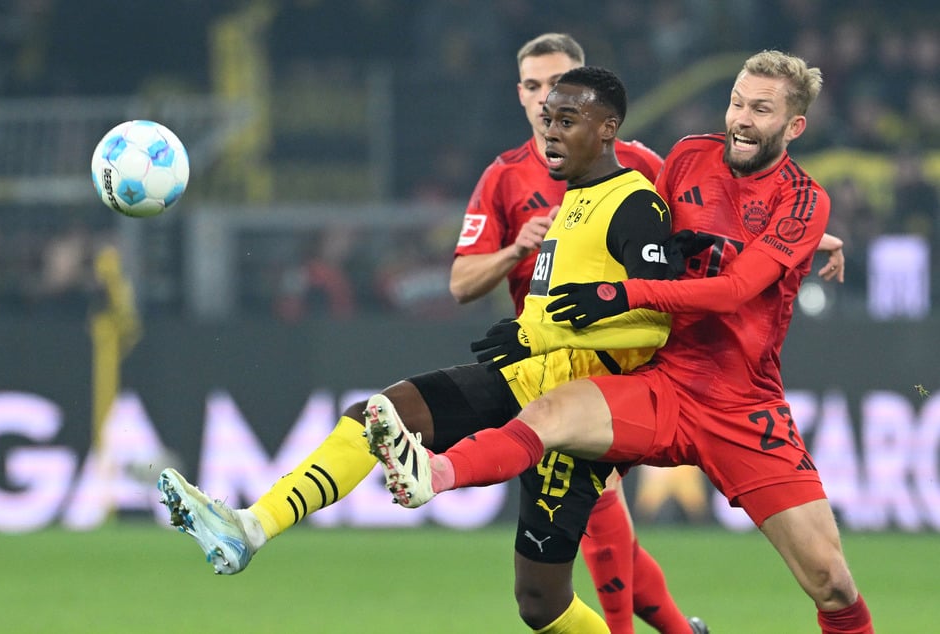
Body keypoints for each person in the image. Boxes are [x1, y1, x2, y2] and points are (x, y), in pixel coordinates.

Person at [157, 60, 708, 633]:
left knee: (540, 601)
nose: (551, 131)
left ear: (608, 128)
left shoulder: (635, 203)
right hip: (525, 379)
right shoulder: (571, 201)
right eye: (547, 119)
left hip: (581, 414)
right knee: (376, 416)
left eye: (568, 119)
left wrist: (544, 332)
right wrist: (530, 335)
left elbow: (660, 320)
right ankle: (248, 528)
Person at [367, 52, 874, 634]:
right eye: (737, 101)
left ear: (794, 125)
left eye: (761, 109)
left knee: (831, 583)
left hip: (742, 404)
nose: (741, 118)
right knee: (552, 414)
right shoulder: (687, 155)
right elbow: (636, 216)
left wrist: (621, 294)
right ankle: (434, 473)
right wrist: (544, 329)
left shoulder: (804, 200)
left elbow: (734, 290)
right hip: (661, 376)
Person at [449, 32, 704, 634]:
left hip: (615, 362)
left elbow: (700, 221)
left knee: (597, 498)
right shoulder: (505, 177)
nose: (549, 103)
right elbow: (461, 282)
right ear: (521, 96)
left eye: (562, 89)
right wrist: (516, 248)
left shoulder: (635, 165)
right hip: (537, 363)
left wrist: (790, 240)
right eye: (536, 89)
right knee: (596, 516)